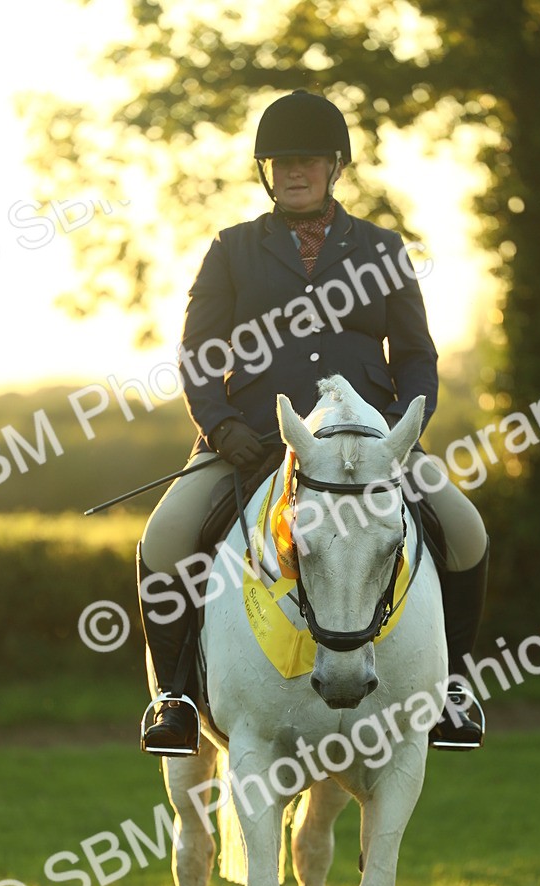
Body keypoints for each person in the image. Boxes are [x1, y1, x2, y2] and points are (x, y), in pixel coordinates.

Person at [137, 89, 489, 756]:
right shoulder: (232, 251)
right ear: (266, 172)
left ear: (334, 167)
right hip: (253, 444)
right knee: (164, 539)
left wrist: (398, 434)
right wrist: (220, 427)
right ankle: (177, 696)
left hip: (369, 448)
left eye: (308, 161)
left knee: (466, 531)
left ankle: (453, 691)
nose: (295, 172)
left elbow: (416, 356)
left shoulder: (384, 250)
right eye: (281, 163)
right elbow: (197, 356)